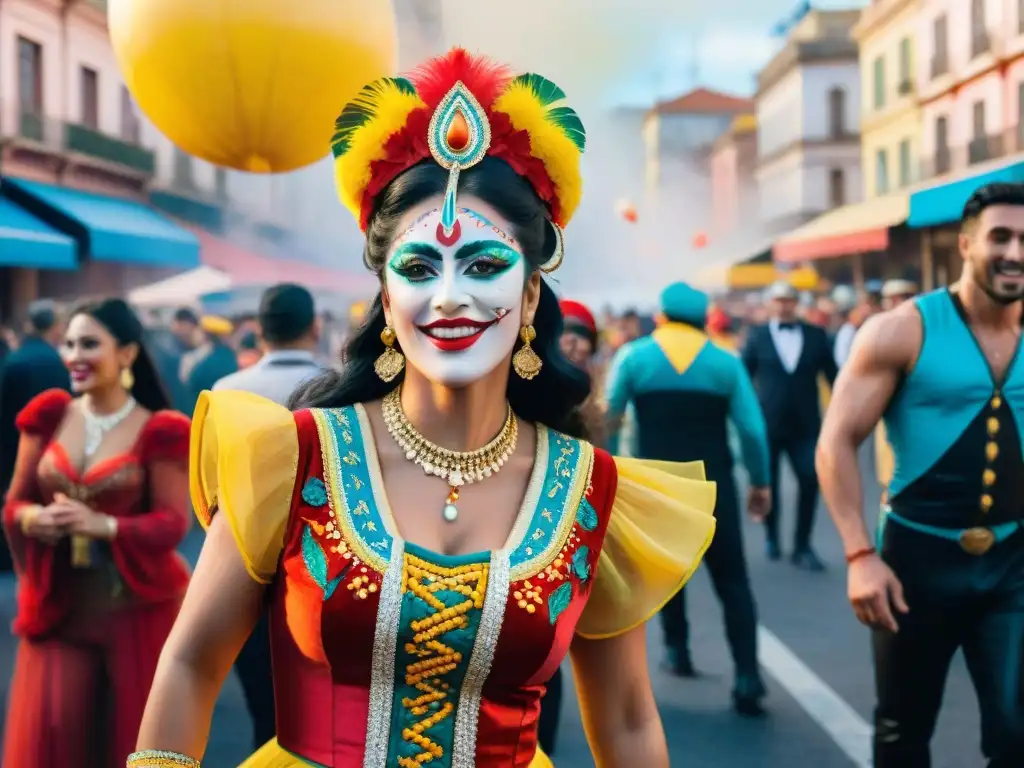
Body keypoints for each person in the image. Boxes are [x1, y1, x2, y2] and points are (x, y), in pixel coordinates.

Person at [130, 48, 717, 768]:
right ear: (385, 299)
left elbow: (626, 721)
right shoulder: (290, 457)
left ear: (530, 296)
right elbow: (191, 664)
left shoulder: (591, 495)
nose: (446, 297)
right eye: (416, 268)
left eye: (482, 265)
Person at [816, 182, 1024, 768]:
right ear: (965, 244)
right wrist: (860, 556)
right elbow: (836, 440)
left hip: (1012, 565)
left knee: (1015, 733)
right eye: (1000, 237)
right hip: (915, 565)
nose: (1015, 252)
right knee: (903, 732)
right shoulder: (901, 329)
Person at [2, 298, 191, 768]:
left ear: (126, 354)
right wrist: (33, 520)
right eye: (68, 344)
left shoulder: (160, 429)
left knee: (128, 746)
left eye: (89, 344)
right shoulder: (47, 415)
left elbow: (172, 524)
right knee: (55, 739)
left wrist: (104, 525)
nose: (73, 356)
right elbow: (14, 504)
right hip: (60, 611)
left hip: (136, 613)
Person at [605, 282, 771, 716]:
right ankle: (748, 676)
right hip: (713, 487)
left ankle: (677, 650)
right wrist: (760, 482)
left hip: (656, 488)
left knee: (665, 572)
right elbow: (752, 431)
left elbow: (608, 416)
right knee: (733, 581)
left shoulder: (635, 357)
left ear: (660, 316)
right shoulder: (725, 363)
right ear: (703, 319)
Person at [212, 283, 326, 749]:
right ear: (315, 328)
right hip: (319, 568)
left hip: (240, 562)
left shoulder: (225, 391)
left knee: (263, 703)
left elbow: (215, 491)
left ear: (258, 332)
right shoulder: (337, 385)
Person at [742, 280, 837, 570]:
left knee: (810, 479)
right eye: (778, 300)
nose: (784, 305)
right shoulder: (756, 336)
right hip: (768, 424)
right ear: (770, 304)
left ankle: (802, 544)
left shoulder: (817, 335)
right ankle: (772, 536)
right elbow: (743, 381)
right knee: (768, 483)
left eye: (789, 300)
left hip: (806, 425)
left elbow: (835, 378)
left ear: (797, 304)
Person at [0, 300, 70, 493]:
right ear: (54, 326)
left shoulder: (14, 359)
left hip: (13, 450)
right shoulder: (60, 362)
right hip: (52, 452)